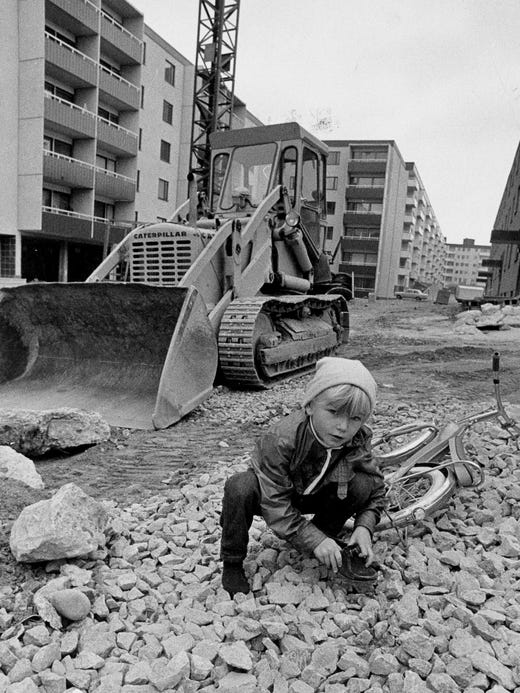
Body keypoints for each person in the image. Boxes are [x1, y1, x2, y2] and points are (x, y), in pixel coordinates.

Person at [219, 356, 387, 596]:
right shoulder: (282, 438)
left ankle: (322, 536)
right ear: (309, 406)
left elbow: (377, 489)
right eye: (333, 412)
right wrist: (312, 539)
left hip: (317, 494)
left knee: (363, 484)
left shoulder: (356, 440)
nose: (343, 427)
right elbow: (274, 502)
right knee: (239, 487)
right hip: (275, 495)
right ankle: (232, 562)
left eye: (355, 418)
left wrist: (364, 527)